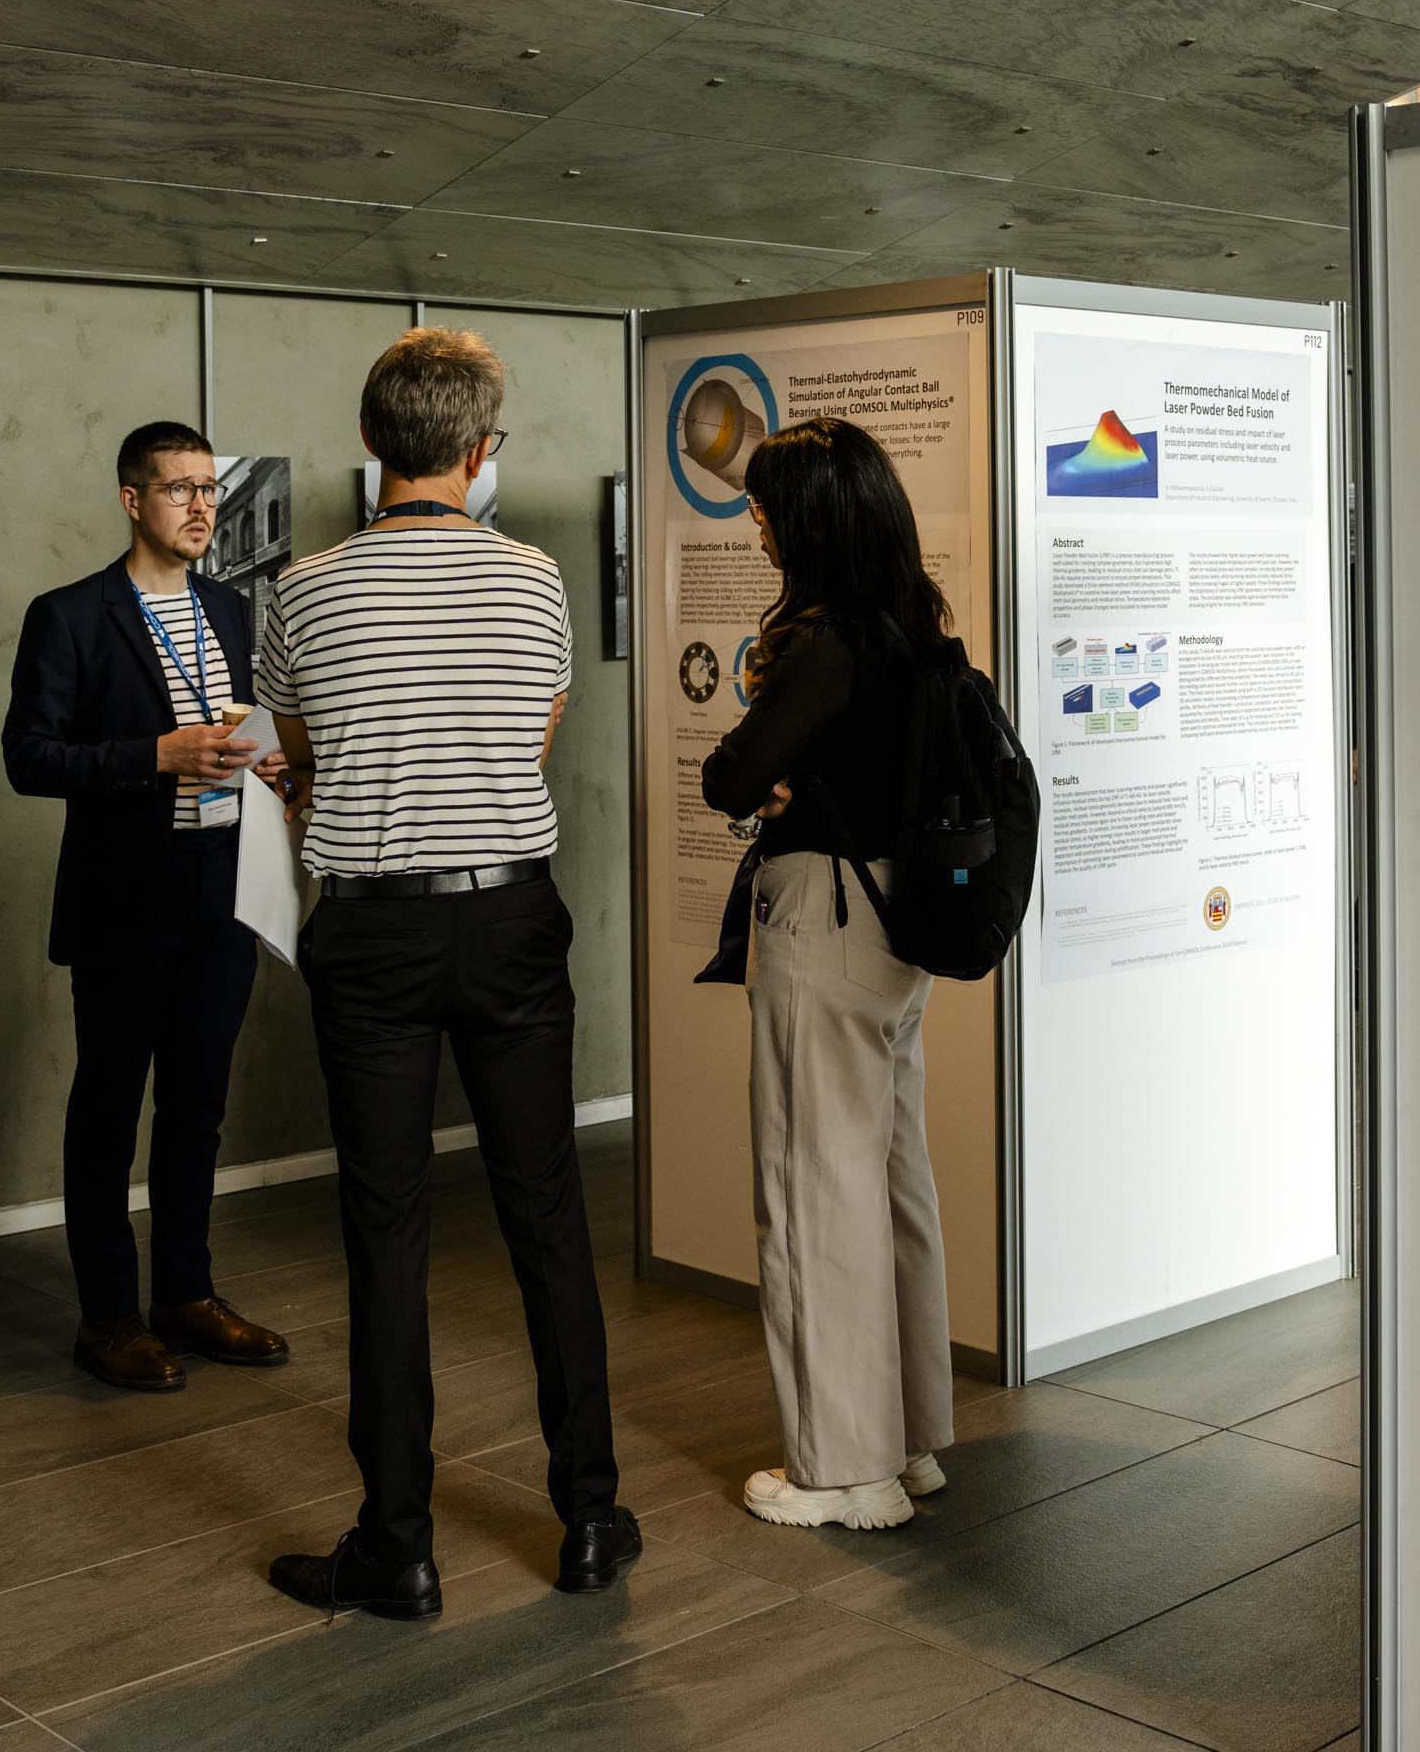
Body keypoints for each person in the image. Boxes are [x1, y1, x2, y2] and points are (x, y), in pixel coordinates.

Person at [257, 328, 635, 1621]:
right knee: (545, 1220)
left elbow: (299, 759)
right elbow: (529, 741)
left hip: (370, 931)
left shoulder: (299, 590)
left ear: (370, 442)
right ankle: (588, 1516)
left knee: (387, 1234)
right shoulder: (534, 581)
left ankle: (397, 1546)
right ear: (479, 453)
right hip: (510, 918)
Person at [698, 417, 956, 1532]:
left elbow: (725, 775)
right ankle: (905, 1441)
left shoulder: (824, 643)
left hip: (824, 922)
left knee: (813, 1191)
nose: (753, 526)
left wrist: (769, 774)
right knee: (892, 1179)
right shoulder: (916, 627)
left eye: (763, 509)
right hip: (899, 927)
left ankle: (842, 1472)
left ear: (805, 520)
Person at [0, 420, 291, 1394]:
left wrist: (266, 759)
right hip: (126, 898)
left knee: (198, 1107)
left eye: (210, 488)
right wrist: (155, 755)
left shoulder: (231, 608)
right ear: (133, 500)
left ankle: (187, 1295)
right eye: (179, 489)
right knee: (108, 1109)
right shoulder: (71, 614)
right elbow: (27, 756)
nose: (201, 506)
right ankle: (108, 1318)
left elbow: (240, 725)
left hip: (225, 887)